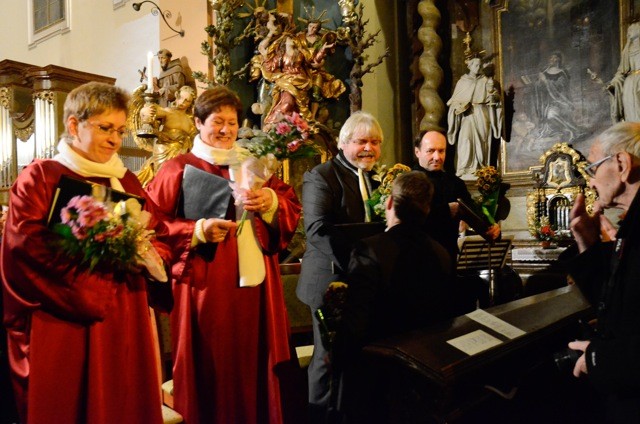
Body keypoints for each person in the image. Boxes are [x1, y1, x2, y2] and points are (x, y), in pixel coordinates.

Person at [0, 82, 172, 423]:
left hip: (127, 313)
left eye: (120, 130)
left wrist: (147, 253)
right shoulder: (41, 176)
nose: (114, 139)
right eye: (105, 128)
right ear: (74, 125)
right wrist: (101, 266)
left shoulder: (127, 181)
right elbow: (24, 246)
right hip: (66, 316)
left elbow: (161, 234)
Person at [145, 86, 301, 424]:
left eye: (232, 123)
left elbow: (290, 206)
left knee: (256, 363)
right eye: (217, 122)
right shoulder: (177, 168)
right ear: (198, 123)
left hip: (256, 290)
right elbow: (152, 226)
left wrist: (270, 203)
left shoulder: (253, 165)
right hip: (206, 290)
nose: (226, 130)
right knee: (212, 369)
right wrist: (197, 231)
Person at [335, 171, 456, 422]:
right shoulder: (441, 253)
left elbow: (355, 324)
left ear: (389, 203)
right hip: (424, 377)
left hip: (378, 380)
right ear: (427, 209)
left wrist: (336, 358)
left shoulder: (369, 250)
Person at [297, 111, 383, 422]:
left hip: (366, 282)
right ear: (343, 143)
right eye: (361, 141)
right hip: (329, 281)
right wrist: (360, 265)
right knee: (328, 359)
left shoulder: (378, 179)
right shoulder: (321, 176)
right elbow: (317, 229)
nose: (369, 148)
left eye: (375, 142)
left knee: (363, 357)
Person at [566, 121, 640, 421]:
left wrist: (598, 358)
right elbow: (619, 305)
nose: (591, 182)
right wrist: (587, 243)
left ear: (621, 164)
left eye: (593, 168)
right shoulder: (632, 225)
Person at [413, 131, 500, 265]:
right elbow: (410, 219)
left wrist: (490, 229)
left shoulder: (454, 183)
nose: (437, 157)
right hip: (417, 258)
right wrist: (446, 211)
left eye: (441, 151)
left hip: (448, 258)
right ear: (417, 152)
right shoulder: (407, 181)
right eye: (430, 151)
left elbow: (473, 212)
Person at [447, 55, 502, 177]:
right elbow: (454, 101)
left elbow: (496, 98)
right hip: (467, 115)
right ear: (470, 66)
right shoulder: (462, 82)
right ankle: (464, 167)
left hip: (482, 113)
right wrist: (459, 107)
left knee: (482, 141)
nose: (478, 67)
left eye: (480, 65)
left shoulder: (486, 81)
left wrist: (493, 96)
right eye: (476, 65)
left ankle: (481, 168)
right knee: (465, 139)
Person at [137, 85, 198, 187]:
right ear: (177, 96)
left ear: (191, 103)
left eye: (187, 100)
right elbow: (150, 111)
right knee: (162, 178)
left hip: (182, 151)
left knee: (177, 181)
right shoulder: (168, 111)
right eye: (181, 98)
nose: (182, 102)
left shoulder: (191, 120)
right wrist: (144, 111)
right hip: (165, 149)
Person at [525, 51, 584, 142]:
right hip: (548, 103)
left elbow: (561, 87)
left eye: (554, 57)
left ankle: (570, 130)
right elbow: (540, 87)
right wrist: (538, 83)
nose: (552, 59)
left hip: (561, 101)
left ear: (559, 59)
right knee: (549, 116)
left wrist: (545, 81)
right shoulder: (545, 72)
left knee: (551, 116)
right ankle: (562, 132)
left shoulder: (562, 73)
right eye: (551, 57)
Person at [609, 22, 640, 123]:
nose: (630, 30)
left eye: (633, 27)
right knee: (631, 115)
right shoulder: (626, 50)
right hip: (629, 86)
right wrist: (615, 83)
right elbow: (621, 72)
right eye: (629, 29)